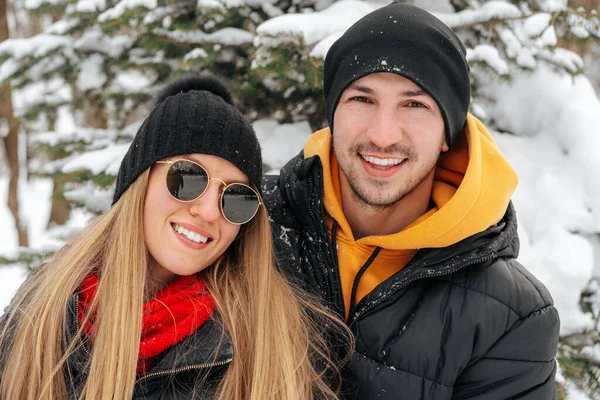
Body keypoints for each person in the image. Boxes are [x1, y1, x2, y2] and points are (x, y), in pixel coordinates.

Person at [263, 3, 560, 399]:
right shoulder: (248, 223)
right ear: (333, 115)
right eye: (362, 99)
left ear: (446, 134)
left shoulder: (511, 315)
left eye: (414, 104)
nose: (383, 135)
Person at [0, 75, 347, 399]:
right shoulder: (42, 311)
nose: (210, 212)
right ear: (140, 179)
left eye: (237, 197)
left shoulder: (277, 343)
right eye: (188, 177)